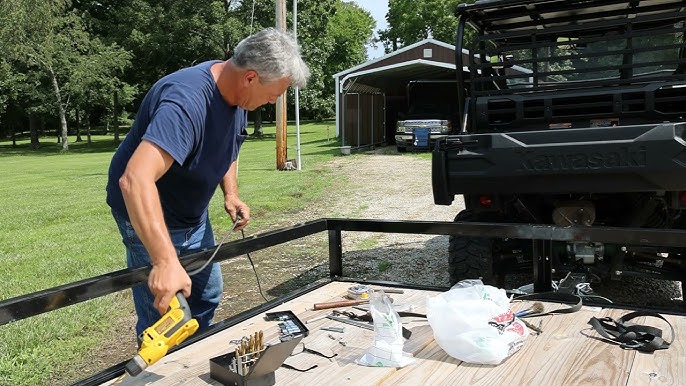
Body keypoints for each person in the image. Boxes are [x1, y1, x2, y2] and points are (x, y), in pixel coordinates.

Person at [106, 27, 310, 335]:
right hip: (149, 211)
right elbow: (135, 179)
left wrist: (231, 194)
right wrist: (164, 262)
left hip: (193, 216)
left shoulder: (238, 97)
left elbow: (228, 147)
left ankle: (194, 360)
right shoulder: (187, 100)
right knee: (165, 317)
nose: (272, 102)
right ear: (251, 77)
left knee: (206, 294)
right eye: (274, 94)